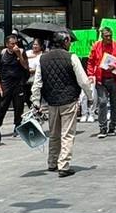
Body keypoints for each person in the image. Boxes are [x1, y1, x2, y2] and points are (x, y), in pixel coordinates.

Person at [31, 33, 96, 177]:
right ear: (65, 41)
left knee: (54, 134)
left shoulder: (43, 58)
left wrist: (35, 101)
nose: (71, 43)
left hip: (51, 101)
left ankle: (52, 162)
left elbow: (37, 83)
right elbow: (84, 81)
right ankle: (64, 166)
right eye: (69, 41)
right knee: (67, 134)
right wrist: (90, 97)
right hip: (69, 100)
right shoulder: (71, 57)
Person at [87, 27, 116, 138]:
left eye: (110, 35)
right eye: (106, 36)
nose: (109, 38)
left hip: (114, 79)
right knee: (103, 102)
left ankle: (112, 126)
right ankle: (103, 128)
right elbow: (90, 61)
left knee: (114, 103)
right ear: (102, 36)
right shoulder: (96, 46)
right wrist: (90, 74)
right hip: (101, 80)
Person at [0, 34, 29, 135]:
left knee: (18, 106)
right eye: (12, 44)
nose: (14, 45)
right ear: (7, 44)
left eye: (16, 43)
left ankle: (17, 126)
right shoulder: (2, 53)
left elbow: (26, 66)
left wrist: (19, 54)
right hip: (5, 83)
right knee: (2, 106)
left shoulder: (21, 52)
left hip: (18, 83)